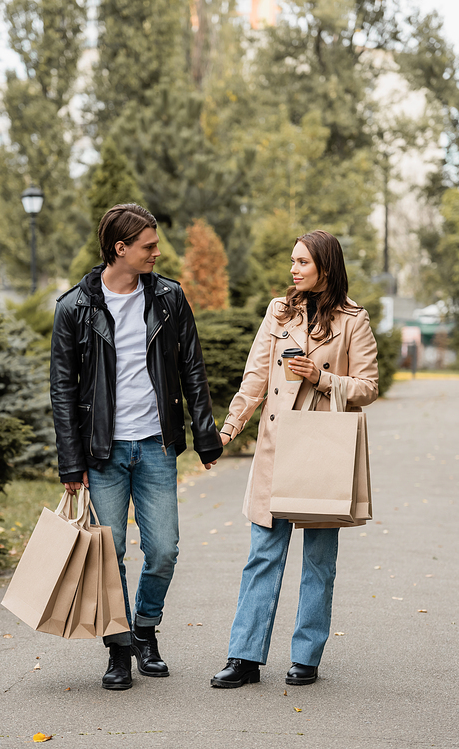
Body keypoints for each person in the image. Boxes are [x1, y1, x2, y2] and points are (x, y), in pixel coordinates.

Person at [50, 203, 222, 691]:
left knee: (163, 549)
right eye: (148, 245)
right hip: (101, 453)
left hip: (155, 445)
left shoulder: (169, 298)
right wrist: (70, 462)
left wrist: (206, 435)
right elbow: (62, 390)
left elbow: (192, 367)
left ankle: (145, 628)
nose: (157, 252)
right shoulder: (74, 307)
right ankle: (120, 647)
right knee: (111, 554)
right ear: (119, 249)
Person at [211, 230, 378, 688]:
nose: (294, 269)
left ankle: (306, 656)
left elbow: (368, 386)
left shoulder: (353, 320)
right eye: (292, 261)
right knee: (262, 554)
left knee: (319, 560)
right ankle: (244, 657)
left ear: (325, 266)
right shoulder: (279, 311)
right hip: (276, 444)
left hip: (322, 448)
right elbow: (255, 377)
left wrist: (321, 377)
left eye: (302, 262)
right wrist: (228, 428)